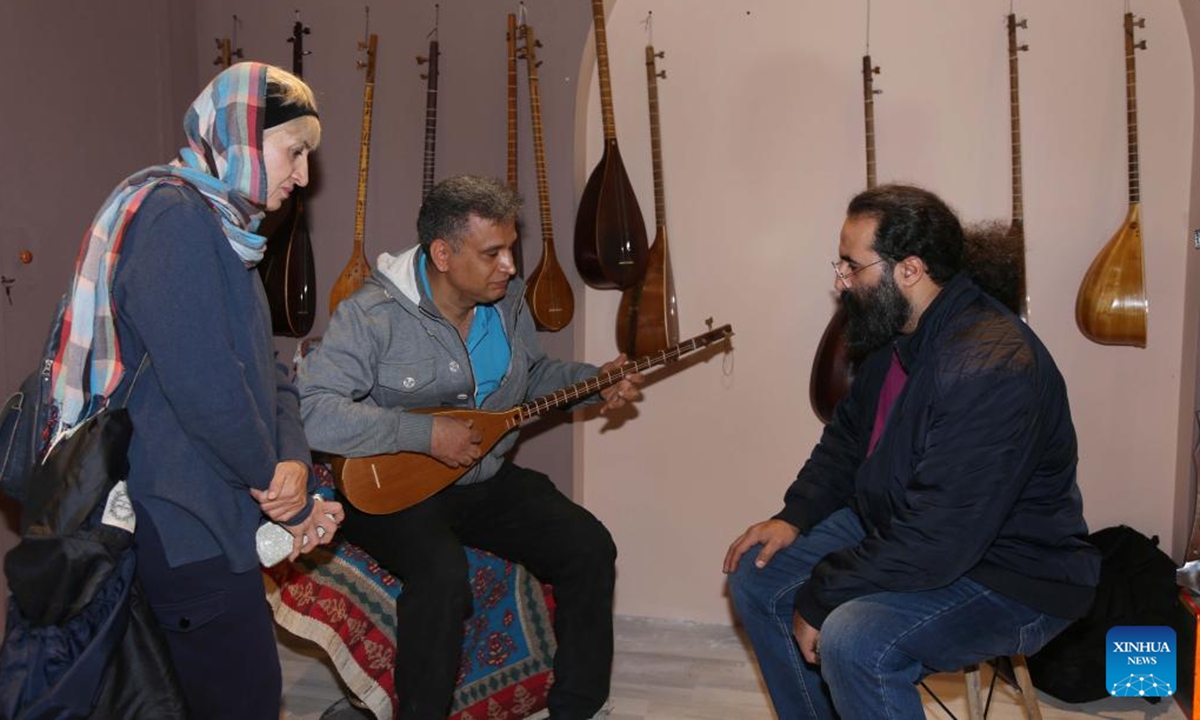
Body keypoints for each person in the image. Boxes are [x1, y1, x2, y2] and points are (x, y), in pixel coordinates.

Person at [723, 184, 1100, 719]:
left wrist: (821, 596)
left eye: (852, 265)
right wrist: (795, 516)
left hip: (1010, 571)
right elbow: (848, 441)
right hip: (911, 525)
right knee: (760, 572)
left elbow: (938, 539)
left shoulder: (990, 366)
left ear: (910, 269)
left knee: (856, 639)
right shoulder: (899, 333)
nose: (841, 280)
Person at [48, 62, 344, 718]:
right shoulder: (173, 219)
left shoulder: (224, 231)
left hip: (213, 508)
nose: (302, 176)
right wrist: (285, 495)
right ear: (241, 135)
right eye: (294, 153)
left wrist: (293, 459)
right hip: (184, 520)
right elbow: (211, 396)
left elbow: (269, 370)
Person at [297, 174, 641, 720]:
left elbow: (532, 376)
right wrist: (424, 433)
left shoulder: (507, 304)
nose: (509, 265)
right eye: (493, 252)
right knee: (441, 574)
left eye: (510, 248)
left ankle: (577, 707)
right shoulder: (371, 316)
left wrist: (593, 382)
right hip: (392, 490)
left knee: (588, 546)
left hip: (482, 480)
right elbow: (313, 409)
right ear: (442, 253)